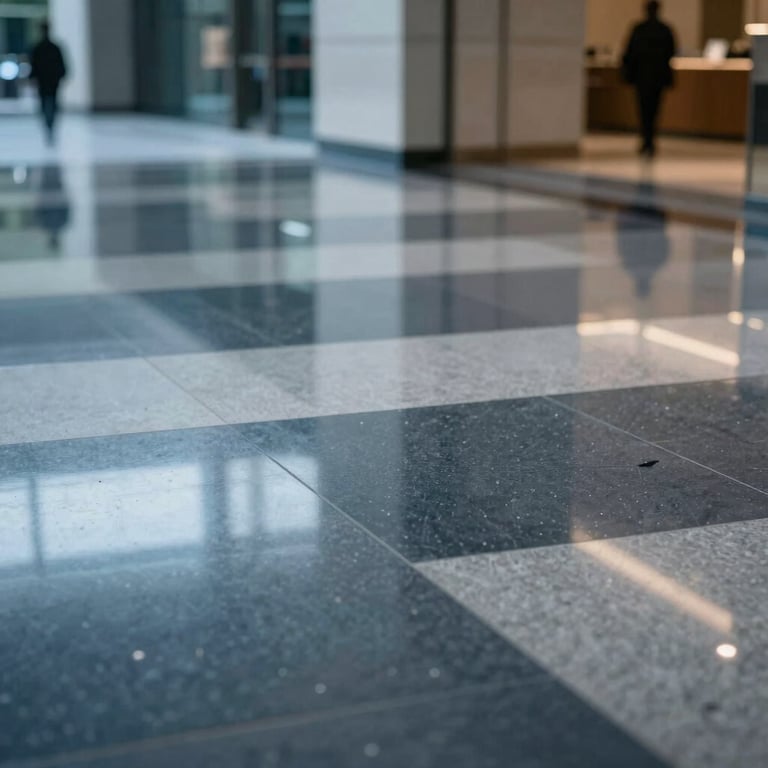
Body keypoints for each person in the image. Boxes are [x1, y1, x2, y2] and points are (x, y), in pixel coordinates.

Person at [621, 1, 676, 158]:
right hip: (656, 78)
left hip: (642, 78)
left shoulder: (640, 29)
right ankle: (649, 140)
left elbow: (629, 53)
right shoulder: (664, 30)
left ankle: (647, 139)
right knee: (653, 110)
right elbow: (671, 51)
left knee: (644, 110)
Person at [29, 22, 67, 146]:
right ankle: (49, 125)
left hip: (46, 81)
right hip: (50, 81)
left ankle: (49, 125)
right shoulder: (52, 47)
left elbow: (33, 66)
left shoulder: (39, 48)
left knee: (46, 104)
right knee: (51, 104)